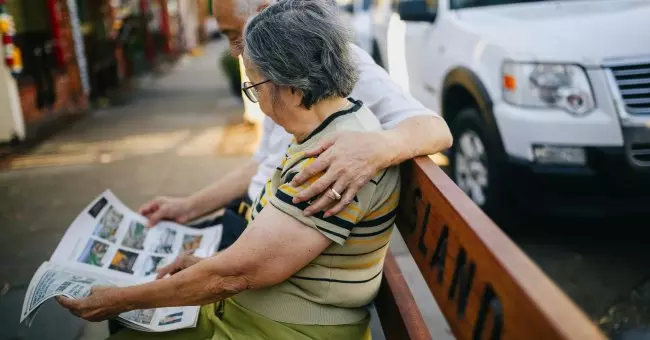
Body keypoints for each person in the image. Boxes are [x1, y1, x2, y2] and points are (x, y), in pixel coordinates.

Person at [58, 1, 401, 338]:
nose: (259, 103)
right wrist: (205, 264)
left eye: (254, 87)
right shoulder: (337, 125)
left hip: (280, 329)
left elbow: (236, 276)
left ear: (293, 89)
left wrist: (119, 300)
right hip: (257, 311)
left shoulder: (328, 163)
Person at [137, 0, 453, 248]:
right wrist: (188, 208)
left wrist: (378, 148)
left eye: (234, 35)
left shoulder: (328, 62)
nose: (234, 49)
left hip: (276, 233)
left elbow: (435, 128)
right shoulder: (275, 77)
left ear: (264, 14)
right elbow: (261, 164)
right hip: (253, 218)